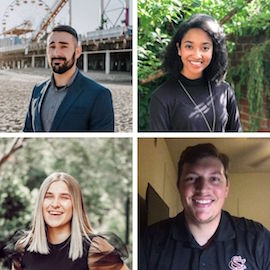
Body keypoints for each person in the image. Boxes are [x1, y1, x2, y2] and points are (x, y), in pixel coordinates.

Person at [140, 143, 270, 269]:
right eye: (191, 178)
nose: (202, 189)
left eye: (214, 179)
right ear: (179, 186)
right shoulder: (149, 241)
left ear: (226, 188)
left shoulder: (259, 240)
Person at [11, 172, 128, 270]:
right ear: (40, 203)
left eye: (64, 197)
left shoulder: (96, 250)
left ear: (75, 205)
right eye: (49, 196)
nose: (55, 204)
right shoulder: (23, 248)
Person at [149, 14, 242, 132]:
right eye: (189, 46)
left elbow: (236, 133)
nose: (197, 55)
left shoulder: (225, 90)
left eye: (205, 48)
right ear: (179, 49)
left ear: (214, 50)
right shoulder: (162, 97)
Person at [23, 25, 114, 132]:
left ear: (78, 52)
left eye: (64, 46)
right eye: (52, 47)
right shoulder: (37, 90)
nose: (56, 53)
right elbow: (27, 132)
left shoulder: (98, 95)